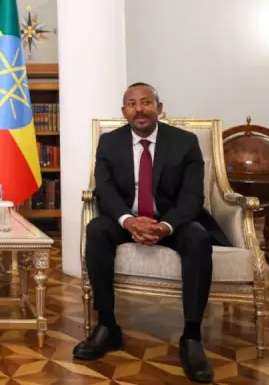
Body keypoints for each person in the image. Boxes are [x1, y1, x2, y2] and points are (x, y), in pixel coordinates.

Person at [73, 82, 229, 384]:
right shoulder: (109, 142)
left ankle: (191, 337)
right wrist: (129, 221)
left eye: (146, 102)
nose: (139, 109)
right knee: (97, 229)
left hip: (172, 220)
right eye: (132, 104)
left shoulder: (185, 142)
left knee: (198, 238)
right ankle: (107, 326)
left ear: (159, 107)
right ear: (124, 111)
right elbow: (105, 190)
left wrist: (164, 226)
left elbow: (192, 195)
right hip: (127, 219)